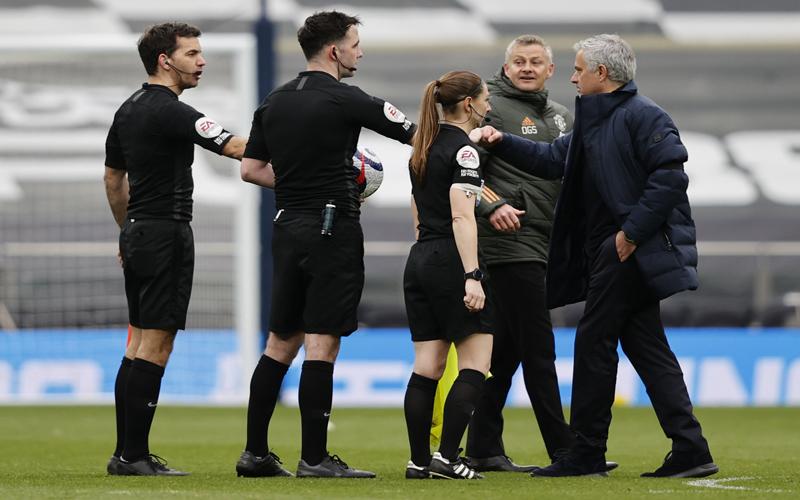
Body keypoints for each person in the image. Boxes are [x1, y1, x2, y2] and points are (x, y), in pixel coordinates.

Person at [471, 34, 718, 478]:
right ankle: (690, 448)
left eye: (579, 68)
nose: (572, 76)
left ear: (601, 75)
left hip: (625, 250)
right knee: (647, 348)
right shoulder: (594, 120)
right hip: (613, 250)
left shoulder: (644, 116)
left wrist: (630, 234)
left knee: (593, 345)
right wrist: (500, 141)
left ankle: (586, 451)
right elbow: (551, 160)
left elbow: (670, 178)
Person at [235, 11, 415, 479]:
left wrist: (298, 181)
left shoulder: (274, 101)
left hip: (286, 225)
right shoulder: (345, 99)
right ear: (335, 50)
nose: (360, 51)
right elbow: (418, 134)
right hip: (332, 228)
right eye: (355, 43)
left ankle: (254, 453)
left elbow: (251, 169)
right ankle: (314, 459)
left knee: (279, 343)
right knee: (322, 344)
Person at [103, 22, 247, 476]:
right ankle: (132, 456)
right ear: (165, 60)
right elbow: (235, 146)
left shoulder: (127, 109)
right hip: (166, 233)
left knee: (138, 342)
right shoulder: (172, 111)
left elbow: (112, 179)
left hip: (140, 233)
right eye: (192, 54)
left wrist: (128, 231)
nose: (201, 62)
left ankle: (125, 453)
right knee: (157, 344)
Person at [463, 34, 576, 473]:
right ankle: (564, 450)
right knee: (539, 347)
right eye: (518, 61)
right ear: (505, 67)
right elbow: (462, 172)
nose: (527, 68)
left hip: (544, 243)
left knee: (505, 355)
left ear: (550, 70)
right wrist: (493, 206)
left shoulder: (562, 115)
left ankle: (483, 447)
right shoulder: (488, 109)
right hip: (507, 246)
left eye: (535, 62)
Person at [402, 70, 493, 481]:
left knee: (427, 365)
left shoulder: (421, 147)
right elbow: (462, 215)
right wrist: (471, 275)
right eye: (485, 98)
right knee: (476, 361)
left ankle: (418, 461)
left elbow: (417, 208)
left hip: (420, 257)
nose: (489, 106)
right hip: (450, 260)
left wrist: (426, 248)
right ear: (470, 104)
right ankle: (447, 458)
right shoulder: (465, 151)